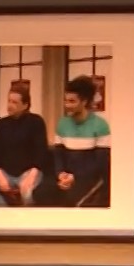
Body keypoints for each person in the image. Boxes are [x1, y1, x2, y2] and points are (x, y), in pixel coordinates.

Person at [41, 76, 112, 207]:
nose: (67, 105)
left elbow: (100, 164)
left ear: (84, 102)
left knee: (72, 199)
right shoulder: (62, 124)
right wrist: (61, 174)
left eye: (72, 101)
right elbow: (58, 155)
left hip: (90, 178)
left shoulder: (100, 125)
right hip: (67, 177)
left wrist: (75, 177)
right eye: (65, 101)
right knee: (41, 192)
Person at [0, 85, 50, 206]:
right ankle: (6, 213)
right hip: (6, 172)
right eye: (9, 101)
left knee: (28, 193)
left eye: (14, 102)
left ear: (25, 105)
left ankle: (26, 218)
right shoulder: (1, 124)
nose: (9, 105)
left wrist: (31, 176)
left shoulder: (36, 122)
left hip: (29, 171)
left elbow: (41, 152)